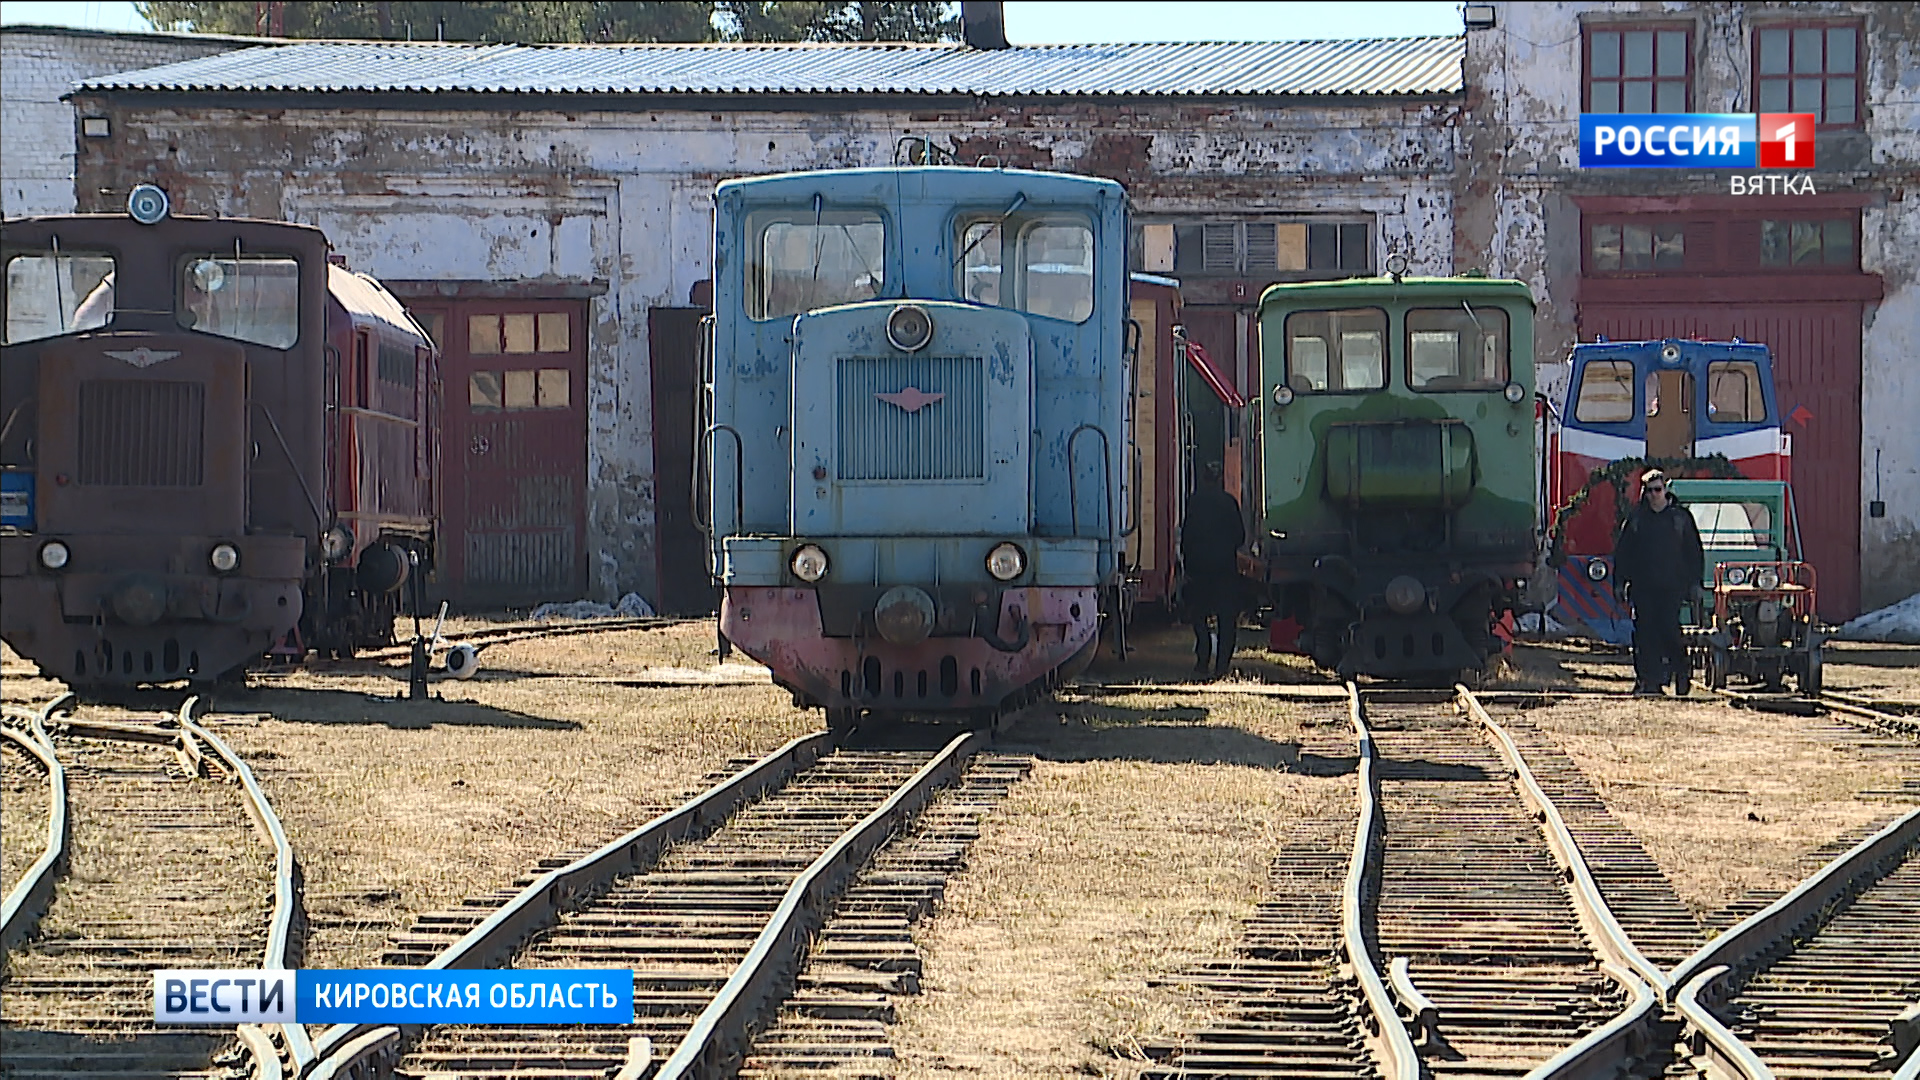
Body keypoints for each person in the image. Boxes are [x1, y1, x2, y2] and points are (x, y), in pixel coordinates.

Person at [1613, 468, 1705, 695]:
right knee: (1645, 634)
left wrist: (1695, 583)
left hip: (1672, 586)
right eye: (1649, 490)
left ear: (1665, 490)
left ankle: (1682, 674)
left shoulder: (1680, 519)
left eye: (1658, 490)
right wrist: (1619, 583)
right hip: (1643, 587)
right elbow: (1623, 554)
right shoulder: (1636, 520)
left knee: (1670, 631)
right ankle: (1649, 680)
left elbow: (1694, 553)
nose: (1654, 495)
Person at [1180, 460, 1245, 679]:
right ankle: (1222, 666)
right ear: (1219, 480)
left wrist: (1188, 564)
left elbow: (1186, 537)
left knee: (1199, 616)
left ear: (1203, 478)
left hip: (1199, 570)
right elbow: (1240, 536)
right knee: (1226, 620)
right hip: (1225, 570)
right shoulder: (1229, 503)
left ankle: (1202, 658)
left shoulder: (1194, 503)